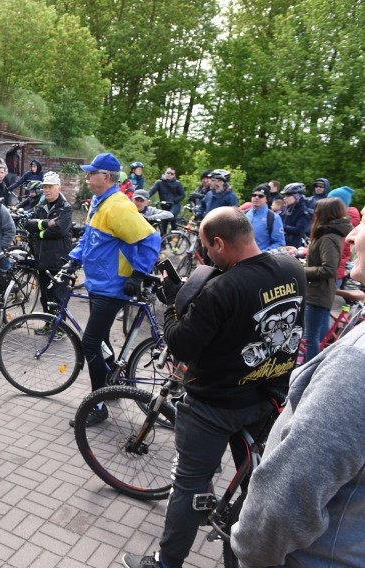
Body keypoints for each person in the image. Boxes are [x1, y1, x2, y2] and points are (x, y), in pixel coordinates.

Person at [122, 207, 306, 568]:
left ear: (219, 243)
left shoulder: (223, 287)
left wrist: (175, 300)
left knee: (188, 485)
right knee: (254, 484)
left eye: (206, 248)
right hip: (267, 396)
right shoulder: (292, 269)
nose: (206, 256)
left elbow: (180, 344)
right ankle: (243, 544)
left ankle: (166, 562)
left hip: (215, 404)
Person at [230, 221, 365, 568]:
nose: (352, 235)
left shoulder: (356, 363)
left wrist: (249, 554)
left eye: (364, 221)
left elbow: (287, 498)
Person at [65, 153, 161, 427]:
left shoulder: (118, 206)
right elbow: (90, 239)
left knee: (91, 344)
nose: (87, 177)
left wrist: (139, 273)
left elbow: (151, 239)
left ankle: (98, 406)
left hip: (113, 287)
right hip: (98, 283)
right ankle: (111, 384)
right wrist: (73, 260)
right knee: (102, 340)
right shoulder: (100, 201)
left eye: (91, 173)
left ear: (106, 177)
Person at [302, 197, 352, 362]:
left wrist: (302, 270)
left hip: (317, 294)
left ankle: (308, 373)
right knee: (319, 337)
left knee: (310, 339)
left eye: (317, 211)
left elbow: (329, 269)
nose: (314, 213)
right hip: (321, 293)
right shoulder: (330, 235)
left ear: (325, 214)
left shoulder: (327, 237)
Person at [24, 171, 73, 335]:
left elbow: (59, 230)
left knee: (57, 295)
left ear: (58, 187)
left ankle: (60, 329)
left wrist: (40, 233)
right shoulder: (40, 206)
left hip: (59, 259)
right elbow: (27, 223)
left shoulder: (65, 208)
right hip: (42, 258)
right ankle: (48, 323)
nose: (46, 190)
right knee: (44, 295)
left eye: (50, 187)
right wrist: (45, 223)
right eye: (44, 187)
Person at [327, 186, 360, 286]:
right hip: (335, 270)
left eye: (330, 201)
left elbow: (337, 249)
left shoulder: (343, 224)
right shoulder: (341, 222)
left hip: (334, 272)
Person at [245, 184, 285, 252]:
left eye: (261, 196)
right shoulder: (244, 214)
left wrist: (263, 253)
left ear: (267, 199)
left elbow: (279, 243)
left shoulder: (273, 217)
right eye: (254, 195)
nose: (256, 197)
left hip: (261, 259)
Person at [147, 167, 186, 234]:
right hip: (164, 205)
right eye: (168, 173)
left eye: (172, 174)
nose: (169, 175)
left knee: (171, 216)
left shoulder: (177, 184)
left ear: (174, 175)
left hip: (174, 205)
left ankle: (174, 233)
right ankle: (164, 238)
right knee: (163, 222)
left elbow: (182, 195)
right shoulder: (159, 183)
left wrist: (174, 200)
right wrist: (144, 197)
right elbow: (151, 191)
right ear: (165, 173)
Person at [280, 182, 313, 248]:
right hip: (284, 242)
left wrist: (281, 227)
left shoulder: (303, 211)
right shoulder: (286, 208)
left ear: (297, 196)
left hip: (295, 246)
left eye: (288, 195)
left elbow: (299, 230)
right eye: (285, 196)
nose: (285, 198)